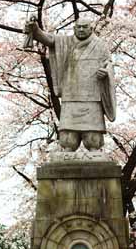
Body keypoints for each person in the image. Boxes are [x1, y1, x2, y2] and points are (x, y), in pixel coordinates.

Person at [24, 17, 116, 151]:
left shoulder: (100, 45)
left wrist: (106, 73)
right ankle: (67, 150)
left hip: (92, 96)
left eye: (85, 27)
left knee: (93, 137)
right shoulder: (65, 42)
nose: (81, 29)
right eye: (78, 27)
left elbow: (109, 65)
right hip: (70, 94)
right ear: (74, 29)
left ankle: (94, 150)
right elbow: (48, 39)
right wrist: (35, 29)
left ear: (91, 29)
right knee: (68, 138)